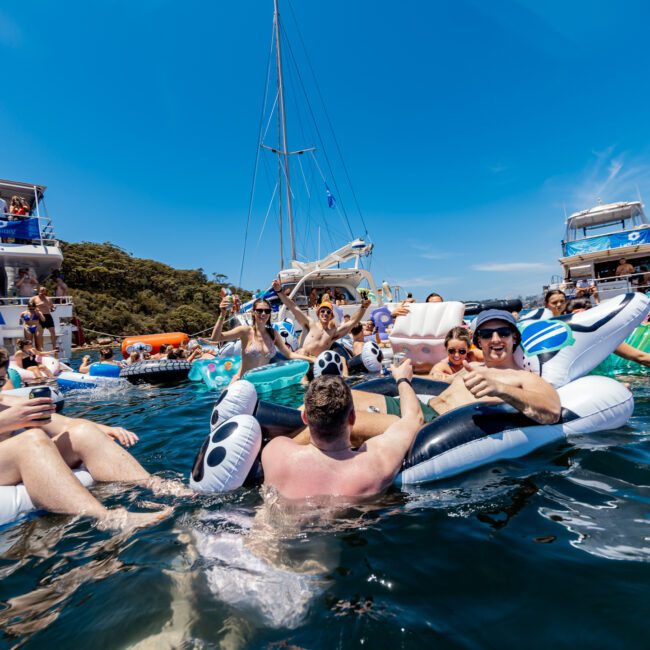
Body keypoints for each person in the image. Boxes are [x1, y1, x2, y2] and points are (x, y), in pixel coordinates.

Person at [0, 348, 173, 529]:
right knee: (31, 440)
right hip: (14, 458)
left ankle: (155, 484)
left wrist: (105, 428)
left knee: (82, 431)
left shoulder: (9, 402)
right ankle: (105, 518)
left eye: (0, 380)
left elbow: (66, 425)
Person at [345, 309, 561, 443]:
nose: (495, 339)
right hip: (419, 405)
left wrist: (500, 388)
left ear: (514, 337)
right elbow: (440, 383)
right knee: (344, 398)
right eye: (486, 334)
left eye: (503, 333)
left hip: (430, 424)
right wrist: (410, 376)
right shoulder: (474, 367)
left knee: (336, 425)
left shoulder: (522, 377)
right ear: (479, 342)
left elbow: (552, 411)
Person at [261, 363, 423, 499]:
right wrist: (402, 379)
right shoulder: (374, 466)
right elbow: (414, 418)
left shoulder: (275, 452)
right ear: (352, 417)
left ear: (304, 417)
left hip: (260, 534)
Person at [205, 297, 312, 382]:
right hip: (242, 382)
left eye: (267, 311)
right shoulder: (245, 331)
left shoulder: (273, 333)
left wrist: (313, 359)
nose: (263, 314)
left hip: (262, 383)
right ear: (253, 312)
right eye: (260, 310)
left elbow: (289, 355)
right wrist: (222, 314)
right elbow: (216, 338)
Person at [271, 279, 370, 358]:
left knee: (342, 360)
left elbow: (353, 322)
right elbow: (293, 307)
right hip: (303, 360)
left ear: (331, 316)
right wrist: (280, 292)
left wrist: (363, 307)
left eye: (328, 312)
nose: (325, 313)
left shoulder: (333, 333)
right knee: (302, 351)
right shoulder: (310, 324)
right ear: (318, 314)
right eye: (322, 311)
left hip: (317, 365)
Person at [33, 286, 57, 352]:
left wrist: (54, 308)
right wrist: (39, 313)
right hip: (40, 316)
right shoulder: (35, 298)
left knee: (53, 331)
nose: (42, 292)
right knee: (40, 333)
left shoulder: (48, 299)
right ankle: (41, 349)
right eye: (41, 291)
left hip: (48, 315)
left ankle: (54, 347)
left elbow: (52, 307)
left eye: (44, 291)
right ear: (38, 291)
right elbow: (32, 307)